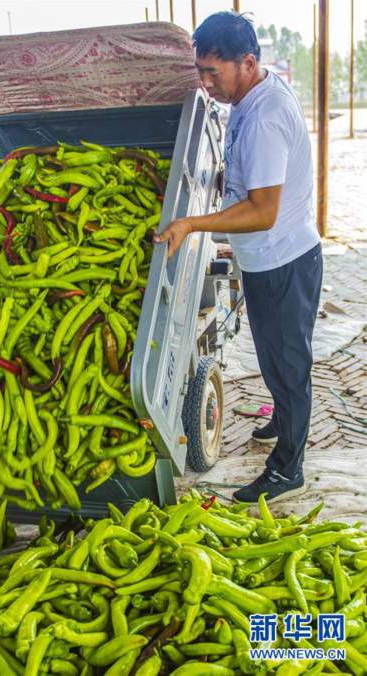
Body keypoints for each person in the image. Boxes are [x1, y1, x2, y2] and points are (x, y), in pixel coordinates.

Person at [156, 12, 322, 503]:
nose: (206, 84)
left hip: (284, 261)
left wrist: (192, 224)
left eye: (213, 72)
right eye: (200, 72)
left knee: (290, 365)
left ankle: (287, 469)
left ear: (248, 62)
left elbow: (263, 210)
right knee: (275, 356)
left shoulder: (266, 116)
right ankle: (285, 421)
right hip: (267, 260)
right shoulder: (248, 97)